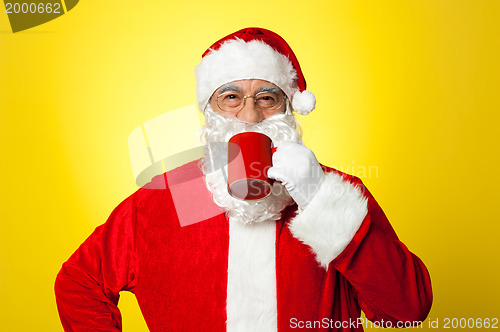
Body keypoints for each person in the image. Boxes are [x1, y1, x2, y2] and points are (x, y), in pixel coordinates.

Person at [55, 27, 432, 332]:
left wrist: (321, 200)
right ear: (209, 110)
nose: (250, 117)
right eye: (231, 97)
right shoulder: (171, 197)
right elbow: (80, 281)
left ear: (289, 109)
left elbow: (406, 309)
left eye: (267, 98)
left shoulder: (334, 190)